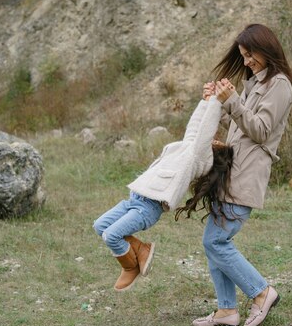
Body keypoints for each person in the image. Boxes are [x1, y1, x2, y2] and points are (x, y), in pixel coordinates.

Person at [192, 23, 292, 326]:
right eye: (244, 56)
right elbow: (242, 127)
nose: (247, 61)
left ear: (267, 49)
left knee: (216, 241)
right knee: (213, 241)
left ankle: (262, 292)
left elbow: (261, 131)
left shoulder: (280, 86)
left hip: (246, 178)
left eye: (251, 55)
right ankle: (226, 311)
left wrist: (232, 101)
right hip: (232, 174)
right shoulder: (255, 83)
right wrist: (217, 103)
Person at [93, 94, 231, 291]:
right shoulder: (188, 148)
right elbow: (194, 128)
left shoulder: (199, 158)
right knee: (100, 226)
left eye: (219, 144)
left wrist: (217, 101)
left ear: (215, 155)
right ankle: (140, 249)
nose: (217, 140)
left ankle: (130, 266)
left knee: (111, 236)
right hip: (134, 199)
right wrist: (205, 100)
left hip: (148, 207)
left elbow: (205, 130)